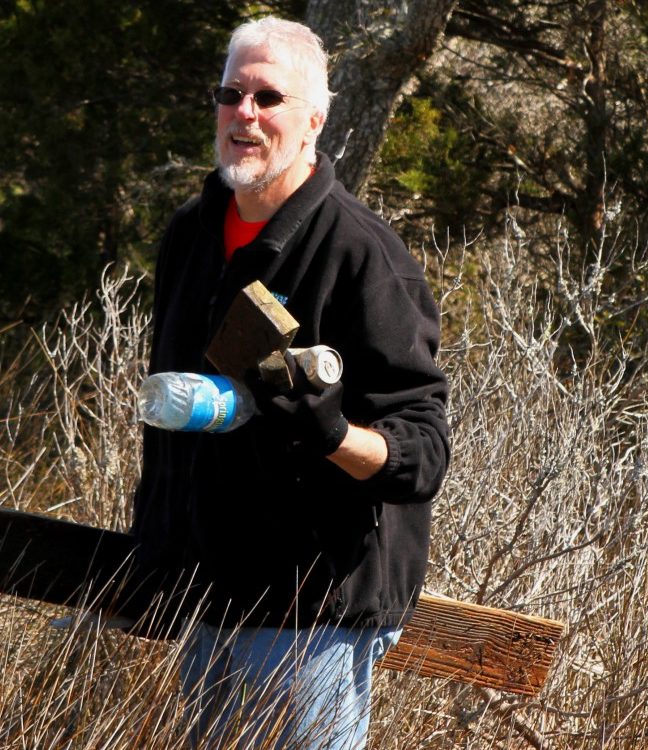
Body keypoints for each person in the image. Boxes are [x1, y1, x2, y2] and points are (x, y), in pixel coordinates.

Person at [130, 16, 450, 750]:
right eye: (230, 94)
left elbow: (423, 455)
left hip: (311, 622)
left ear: (314, 121)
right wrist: (155, 560)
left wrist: (331, 434)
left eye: (268, 97)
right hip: (205, 603)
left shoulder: (361, 256)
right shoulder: (193, 233)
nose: (243, 114)